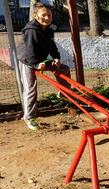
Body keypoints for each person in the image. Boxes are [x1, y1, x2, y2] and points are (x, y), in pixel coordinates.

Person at [17, 2, 71, 130]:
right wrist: (35, 64)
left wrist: (56, 58)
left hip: (40, 60)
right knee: (30, 88)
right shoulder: (31, 31)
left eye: (49, 15)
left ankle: (63, 93)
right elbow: (30, 50)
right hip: (27, 61)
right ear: (35, 16)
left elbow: (52, 46)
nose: (47, 18)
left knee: (64, 68)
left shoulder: (49, 30)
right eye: (44, 15)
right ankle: (29, 116)